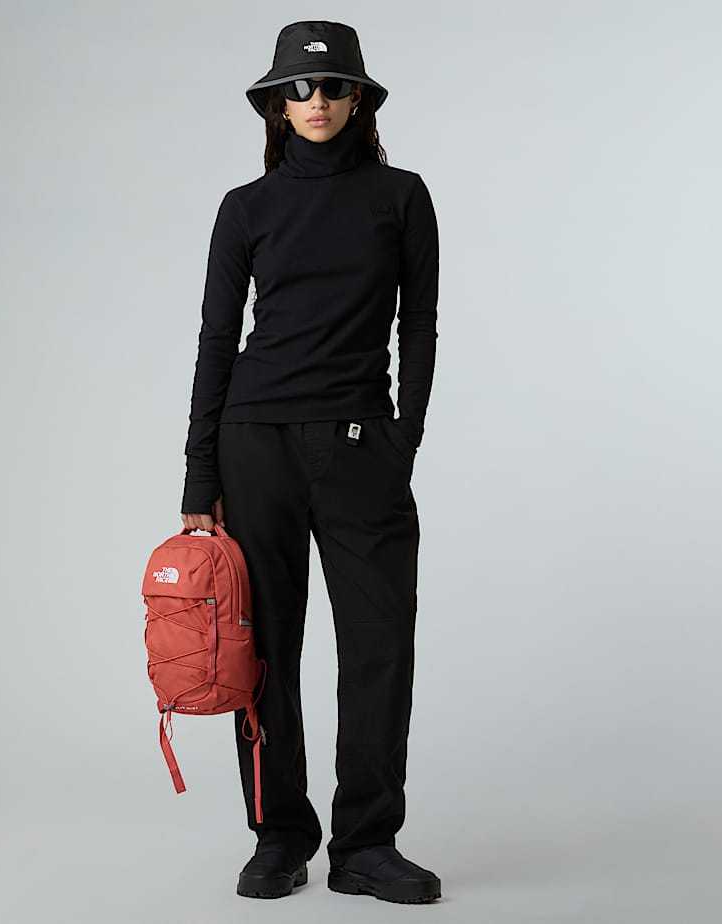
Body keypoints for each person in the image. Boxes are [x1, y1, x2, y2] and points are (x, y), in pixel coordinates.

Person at [180, 21, 441, 904]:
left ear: (358, 99)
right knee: (262, 652)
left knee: (380, 647)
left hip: (364, 446)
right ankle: (279, 835)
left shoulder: (402, 197)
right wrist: (200, 475)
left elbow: (418, 327)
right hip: (256, 446)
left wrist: (404, 438)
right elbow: (217, 341)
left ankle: (366, 843)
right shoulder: (245, 209)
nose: (316, 101)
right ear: (276, 105)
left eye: (332, 87)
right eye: (298, 88)